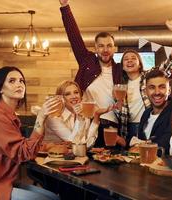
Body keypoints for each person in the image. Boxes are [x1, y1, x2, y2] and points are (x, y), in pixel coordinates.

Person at [0, 66, 60, 200]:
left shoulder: (9, 115)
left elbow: (23, 147)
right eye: (12, 81)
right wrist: (41, 117)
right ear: (0, 88)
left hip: (5, 181)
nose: (19, 84)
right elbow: (25, 153)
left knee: (53, 197)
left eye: (21, 81)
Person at [58, 0, 128, 147]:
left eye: (109, 45)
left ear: (114, 48)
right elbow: (74, 36)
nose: (105, 49)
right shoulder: (87, 61)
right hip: (89, 122)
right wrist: (65, 8)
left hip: (112, 126)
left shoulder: (120, 70)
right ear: (96, 48)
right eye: (101, 46)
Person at [119, 20, 172, 143]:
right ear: (122, 66)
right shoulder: (120, 85)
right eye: (126, 59)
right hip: (126, 127)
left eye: (133, 58)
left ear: (140, 63)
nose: (130, 61)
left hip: (151, 122)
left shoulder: (148, 77)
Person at [44, 80, 120, 148]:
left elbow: (88, 144)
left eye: (76, 92)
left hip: (73, 158)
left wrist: (96, 116)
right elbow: (75, 143)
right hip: (49, 158)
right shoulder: (53, 116)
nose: (74, 96)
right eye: (67, 94)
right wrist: (79, 118)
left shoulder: (83, 113)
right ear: (61, 98)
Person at [129, 69, 172, 155]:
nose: (157, 92)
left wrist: (140, 145)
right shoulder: (146, 113)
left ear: (169, 90)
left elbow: (166, 144)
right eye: (152, 88)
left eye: (162, 87)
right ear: (146, 92)